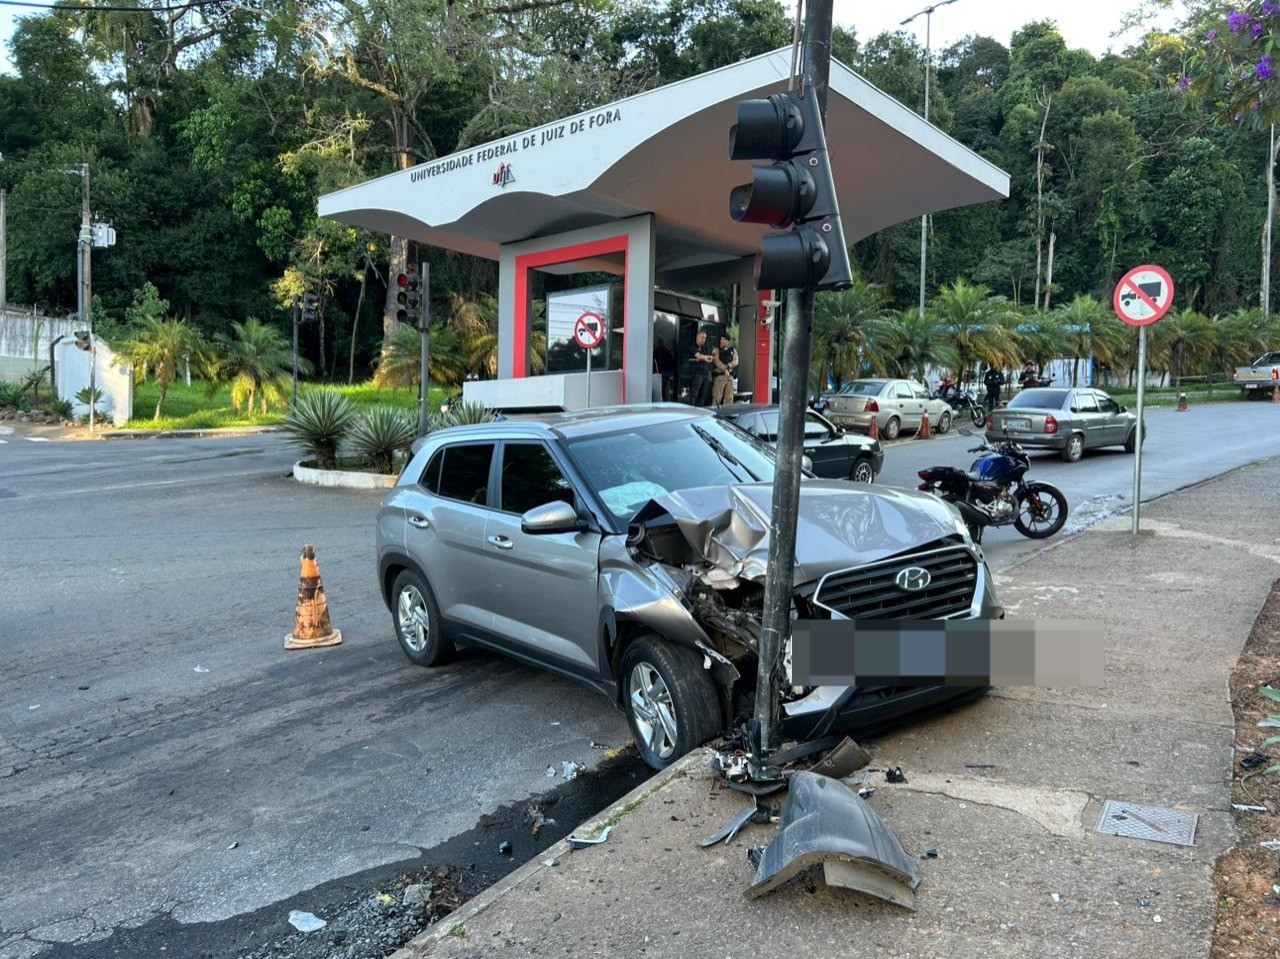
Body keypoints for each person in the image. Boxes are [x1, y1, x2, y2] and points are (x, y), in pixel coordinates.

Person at [711, 333, 738, 406]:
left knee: (729, 398)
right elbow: (716, 361)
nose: (722, 341)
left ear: (728, 341)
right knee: (717, 397)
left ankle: (728, 415)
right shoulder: (716, 350)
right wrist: (725, 370)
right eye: (721, 339)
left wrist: (729, 365)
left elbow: (736, 361)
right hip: (719, 377)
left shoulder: (733, 350)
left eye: (724, 339)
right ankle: (714, 414)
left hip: (730, 377)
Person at [688, 330, 713, 406]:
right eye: (702, 337)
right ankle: (691, 411)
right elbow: (699, 356)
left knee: (703, 395)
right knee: (694, 394)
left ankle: (700, 412)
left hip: (705, 373)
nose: (703, 340)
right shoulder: (692, 347)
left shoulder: (704, 348)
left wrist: (703, 358)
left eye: (705, 338)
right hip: (697, 374)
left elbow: (710, 359)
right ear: (697, 337)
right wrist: (704, 357)